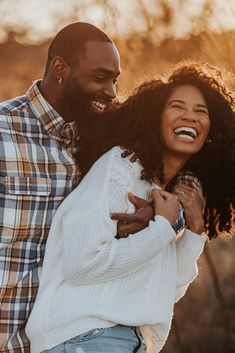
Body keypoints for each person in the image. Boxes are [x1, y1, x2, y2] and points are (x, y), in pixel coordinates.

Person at [25, 62, 235, 353]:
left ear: (213, 129)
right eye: (177, 106)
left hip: (128, 342)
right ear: (156, 118)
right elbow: (82, 264)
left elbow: (166, 292)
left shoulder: (165, 200)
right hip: (87, 337)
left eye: (202, 111)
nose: (190, 116)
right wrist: (162, 229)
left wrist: (194, 232)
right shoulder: (121, 168)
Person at [0, 21, 126, 352]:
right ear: (60, 69)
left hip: (66, 343)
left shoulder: (103, 143)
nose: (111, 92)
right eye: (100, 78)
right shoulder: (3, 133)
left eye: (115, 80)